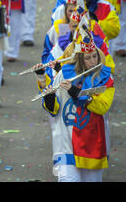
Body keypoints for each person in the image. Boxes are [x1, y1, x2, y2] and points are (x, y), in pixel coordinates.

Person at [40, 26, 115, 182]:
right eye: (87, 58)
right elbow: (54, 110)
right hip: (66, 140)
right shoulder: (65, 74)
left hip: (93, 142)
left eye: (95, 56)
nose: (92, 61)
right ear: (80, 59)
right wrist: (48, 96)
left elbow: (103, 107)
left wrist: (77, 93)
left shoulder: (106, 78)